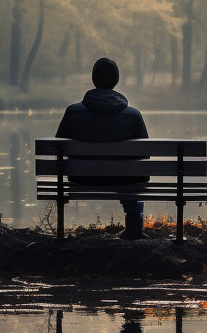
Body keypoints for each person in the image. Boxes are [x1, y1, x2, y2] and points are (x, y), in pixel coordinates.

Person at [56, 57, 148, 239]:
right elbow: (144, 154)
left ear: (93, 80)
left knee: (132, 173)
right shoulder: (133, 116)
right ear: (116, 81)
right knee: (133, 175)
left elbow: (59, 146)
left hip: (81, 178)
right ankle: (134, 229)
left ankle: (60, 230)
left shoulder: (73, 111)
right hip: (123, 181)